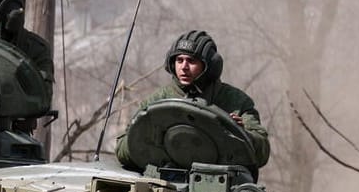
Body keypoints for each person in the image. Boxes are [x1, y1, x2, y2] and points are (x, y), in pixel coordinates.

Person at [115, 30, 271, 171]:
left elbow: (262, 152)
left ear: (208, 66)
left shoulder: (236, 102)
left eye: (191, 61)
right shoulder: (157, 101)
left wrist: (241, 134)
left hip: (219, 185)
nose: (184, 67)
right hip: (164, 182)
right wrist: (144, 132)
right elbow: (122, 149)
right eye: (179, 60)